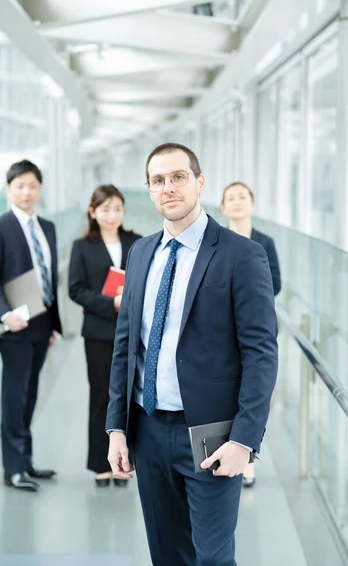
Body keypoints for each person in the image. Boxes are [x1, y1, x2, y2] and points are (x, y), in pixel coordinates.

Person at [106, 143, 278, 566]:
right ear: (149, 190)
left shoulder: (242, 254)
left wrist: (244, 440)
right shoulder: (141, 252)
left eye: (178, 177)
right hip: (147, 431)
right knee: (166, 555)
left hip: (212, 434)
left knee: (213, 558)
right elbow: (126, 346)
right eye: (158, 180)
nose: (169, 188)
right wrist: (116, 428)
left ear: (199, 182)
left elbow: (261, 354)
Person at [0, 159, 62, 492]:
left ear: (40, 189)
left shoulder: (48, 227)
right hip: (15, 327)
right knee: (14, 398)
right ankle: (12, 469)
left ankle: (25, 461)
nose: (26, 192)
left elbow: (50, 279)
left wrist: (54, 324)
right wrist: (5, 315)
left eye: (32, 186)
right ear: (8, 189)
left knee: (29, 395)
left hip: (42, 325)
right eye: (19, 186)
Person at [68, 185, 141, 488]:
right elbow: (75, 289)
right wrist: (109, 302)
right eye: (105, 209)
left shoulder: (137, 242)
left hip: (132, 331)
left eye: (117, 209)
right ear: (92, 212)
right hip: (98, 332)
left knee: (130, 396)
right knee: (101, 396)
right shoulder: (82, 246)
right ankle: (100, 461)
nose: (112, 215)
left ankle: (125, 463)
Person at [221, 181, 281, 488]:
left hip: (254, 328)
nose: (237, 202)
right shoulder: (216, 242)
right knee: (229, 393)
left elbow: (276, 283)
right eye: (230, 198)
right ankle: (231, 450)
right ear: (222, 207)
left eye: (242, 197)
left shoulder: (264, 242)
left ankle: (248, 456)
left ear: (252, 203)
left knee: (255, 392)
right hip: (223, 331)